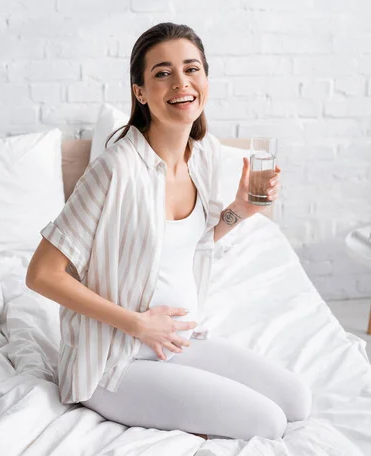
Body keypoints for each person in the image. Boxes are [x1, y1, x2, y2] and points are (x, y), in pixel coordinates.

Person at [26, 22, 311, 441]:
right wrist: (138, 324)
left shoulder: (203, 155)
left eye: (191, 69)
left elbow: (186, 247)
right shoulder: (115, 168)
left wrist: (240, 211)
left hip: (177, 342)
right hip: (116, 360)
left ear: (205, 79)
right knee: (267, 423)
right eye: (162, 73)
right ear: (140, 91)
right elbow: (41, 274)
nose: (181, 82)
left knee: (297, 400)